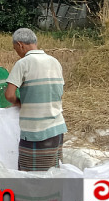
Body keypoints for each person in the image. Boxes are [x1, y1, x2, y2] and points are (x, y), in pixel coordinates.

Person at [4, 28, 66, 172]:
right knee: (52, 171)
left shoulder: (23, 64)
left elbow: (9, 95)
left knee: (33, 174)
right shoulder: (55, 61)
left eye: (15, 49)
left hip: (36, 131)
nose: (17, 53)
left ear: (20, 45)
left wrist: (20, 102)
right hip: (57, 127)